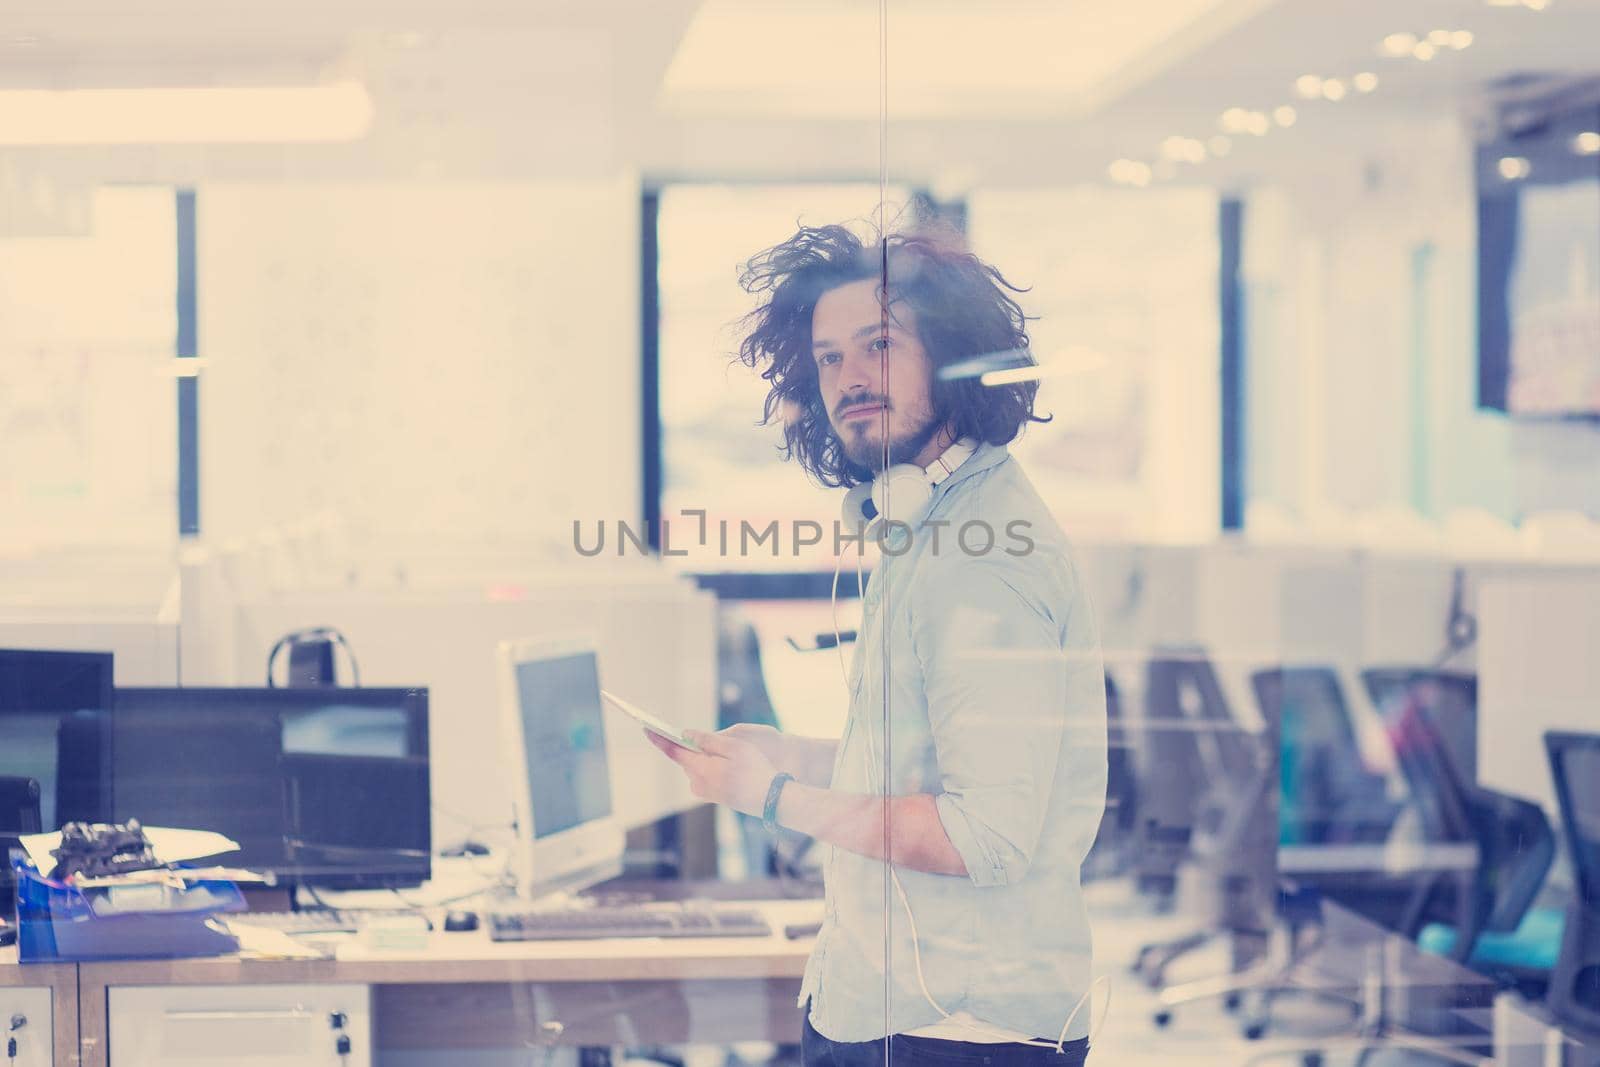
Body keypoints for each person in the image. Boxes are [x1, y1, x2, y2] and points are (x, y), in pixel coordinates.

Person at [648, 223, 1107, 1066]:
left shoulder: (981, 561)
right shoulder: (933, 528)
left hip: (956, 1029)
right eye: (828, 358)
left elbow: (985, 837)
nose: (850, 378)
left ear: (953, 354)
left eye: (879, 345)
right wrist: (786, 755)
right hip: (907, 1008)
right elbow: (922, 764)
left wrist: (775, 794)